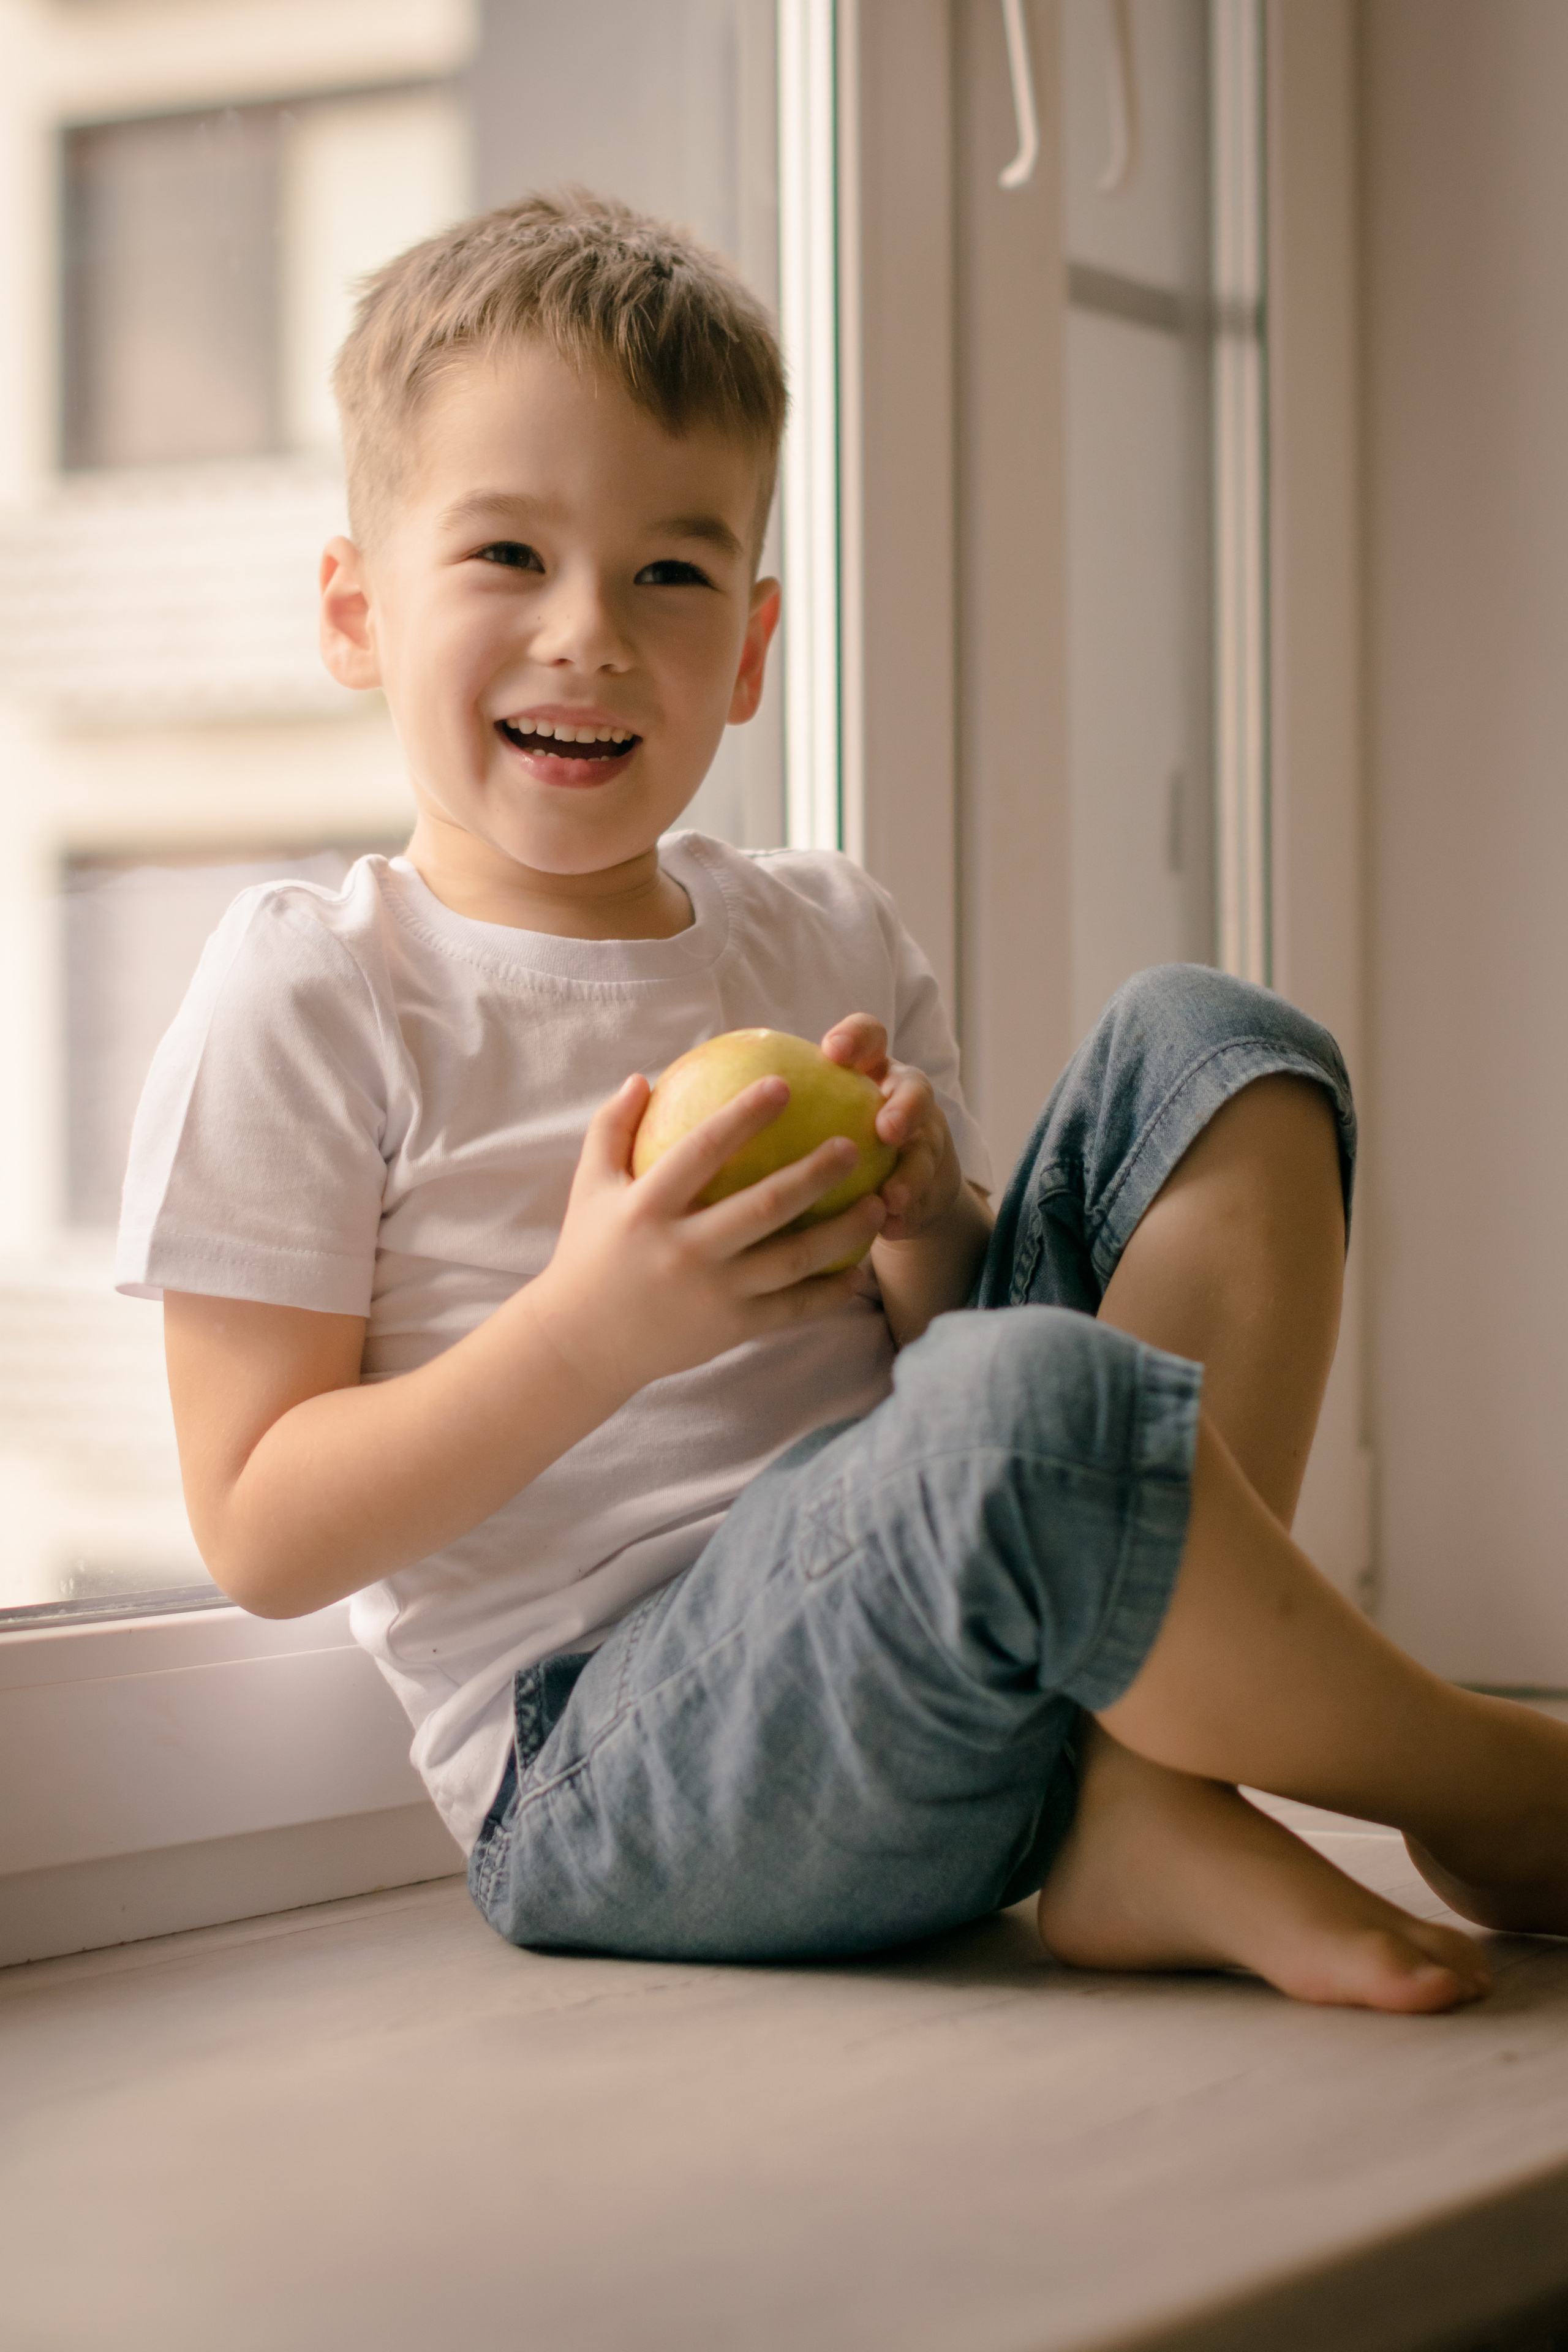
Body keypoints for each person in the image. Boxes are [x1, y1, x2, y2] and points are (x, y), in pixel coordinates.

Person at [118, 194, 1568, 2014]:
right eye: (508, 553)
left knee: (1222, 1046)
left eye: (669, 573)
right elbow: (258, 1527)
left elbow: (960, 1372)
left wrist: (930, 1230)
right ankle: (1496, 1782)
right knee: (1026, 1412)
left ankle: (1142, 1796)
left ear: (749, 649)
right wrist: (595, 1329)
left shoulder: (824, 930)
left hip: (954, 1642)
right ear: (357, 611)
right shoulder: (323, 989)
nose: (589, 632)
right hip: (624, 1765)